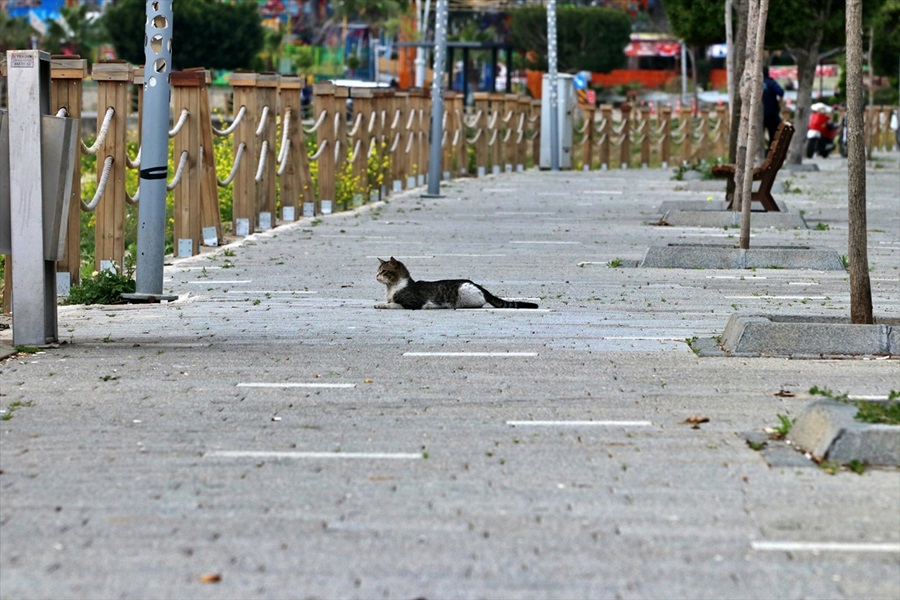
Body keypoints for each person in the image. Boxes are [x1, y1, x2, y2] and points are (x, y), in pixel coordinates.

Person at [762, 66, 785, 151]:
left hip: (758, 115)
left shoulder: (755, 83)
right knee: (774, 134)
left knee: (756, 135)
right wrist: (779, 104)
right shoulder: (771, 83)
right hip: (772, 113)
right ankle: (771, 152)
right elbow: (781, 92)